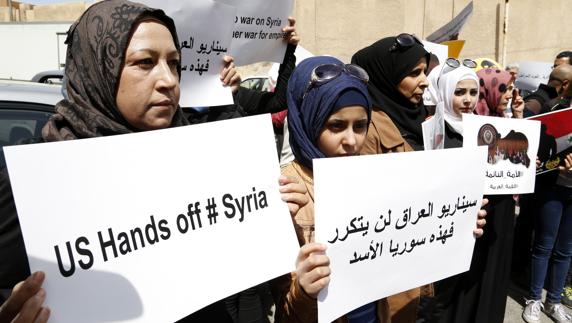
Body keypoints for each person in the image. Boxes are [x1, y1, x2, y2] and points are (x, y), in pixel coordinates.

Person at [0, 1, 308, 322]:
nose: (169, 80)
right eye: (145, 62)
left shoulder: (200, 154)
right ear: (98, 67)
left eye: (174, 64)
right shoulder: (36, 182)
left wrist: (262, 210)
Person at [350, 36, 487, 323]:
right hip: (390, 274)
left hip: (426, 267)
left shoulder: (424, 120)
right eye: (414, 73)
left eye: (424, 72)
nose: (425, 82)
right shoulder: (368, 130)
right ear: (386, 76)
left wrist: (462, 213)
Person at [270, 55, 394, 323]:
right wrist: (305, 289)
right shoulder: (286, 192)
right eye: (336, 126)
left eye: (360, 126)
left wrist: (456, 222)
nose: (351, 140)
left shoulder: (375, 177)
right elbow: (285, 311)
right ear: (309, 120)